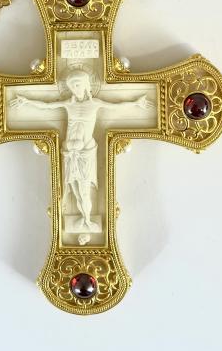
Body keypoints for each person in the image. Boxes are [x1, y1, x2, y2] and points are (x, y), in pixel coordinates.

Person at [10, 69, 152, 230]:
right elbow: (47, 106)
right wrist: (27, 101)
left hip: (85, 153)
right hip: (69, 153)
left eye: (77, 85)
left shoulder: (94, 103)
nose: (74, 89)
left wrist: (136, 103)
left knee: (84, 191)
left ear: (86, 85)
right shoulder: (69, 104)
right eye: (71, 87)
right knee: (75, 190)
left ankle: (88, 221)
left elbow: (116, 106)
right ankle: (84, 218)